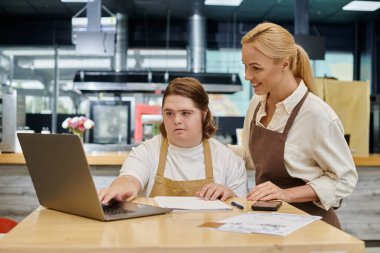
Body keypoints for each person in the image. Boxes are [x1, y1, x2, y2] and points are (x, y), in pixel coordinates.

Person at [230, 22, 358, 228]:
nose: (247, 76)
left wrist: (286, 194)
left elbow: (345, 180)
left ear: (285, 64)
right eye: (245, 65)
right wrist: (206, 149)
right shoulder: (257, 104)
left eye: (256, 68)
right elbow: (251, 157)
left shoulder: (316, 114)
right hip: (269, 221)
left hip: (312, 226)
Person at [99, 77, 247, 204]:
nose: (176, 120)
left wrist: (230, 196)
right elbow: (129, 179)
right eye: (169, 113)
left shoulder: (229, 160)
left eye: (186, 113)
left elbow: (240, 210)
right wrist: (119, 188)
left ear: (203, 114)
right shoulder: (147, 152)